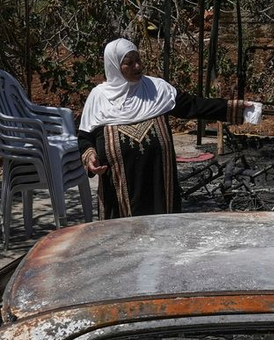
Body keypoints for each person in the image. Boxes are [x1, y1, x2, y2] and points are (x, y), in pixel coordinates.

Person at [77, 38, 252, 219]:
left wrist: (236, 108)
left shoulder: (157, 90)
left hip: (160, 186)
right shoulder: (99, 98)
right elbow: (84, 137)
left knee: (162, 233)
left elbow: (193, 105)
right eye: (129, 63)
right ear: (114, 66)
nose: (137, 66)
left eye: (138, 60)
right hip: (119, 194)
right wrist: (90, 156)